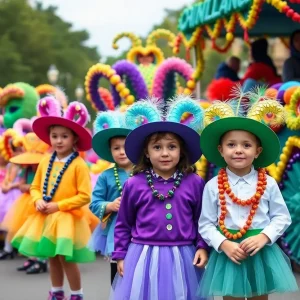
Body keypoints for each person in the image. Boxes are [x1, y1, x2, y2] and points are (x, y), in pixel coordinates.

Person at [198, 99, 298, 299]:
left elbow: (282, 217)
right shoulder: (212, 186)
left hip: (259, 252)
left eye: (246, 145)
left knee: (259, 296)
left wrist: (264, 237)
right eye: (231, 144)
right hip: (229, 253)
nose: (238, 150)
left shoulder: (268, 183)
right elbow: (206, 224)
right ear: (220, 150)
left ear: (257, 151)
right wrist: (224, 244)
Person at [110, 97, 209, 300]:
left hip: (184, 256)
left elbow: (203, 220)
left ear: (181, 151)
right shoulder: (134, 183)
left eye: (171, 147)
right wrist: (120, 255)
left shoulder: (194, 182)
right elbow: (123, 223)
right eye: (157, 147)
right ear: (146, 152)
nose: (165, 153)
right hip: (143, 256)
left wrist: (202, 247)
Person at [11, 97, 95, 300]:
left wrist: (59, 205)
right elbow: (35, 187)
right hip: (46, 218)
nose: (58, 140)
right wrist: (37, 200)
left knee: (67, 259)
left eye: (64, 136)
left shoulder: (79, 165)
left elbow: (84, 196)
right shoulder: (45, 161)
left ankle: (77, 294)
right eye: (54, 136)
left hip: (67, 219)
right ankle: (56, 292)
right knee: (52, 258)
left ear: (74, 138)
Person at [89, 111, 133, 284]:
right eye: (116, 148)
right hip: (115, 231)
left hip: (141, 230)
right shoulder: (105, 176)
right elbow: (94, 203)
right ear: (110, 150)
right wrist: (109, 205)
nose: (122, 152)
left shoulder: (144, 172)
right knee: (117, 273)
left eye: (126, 147)